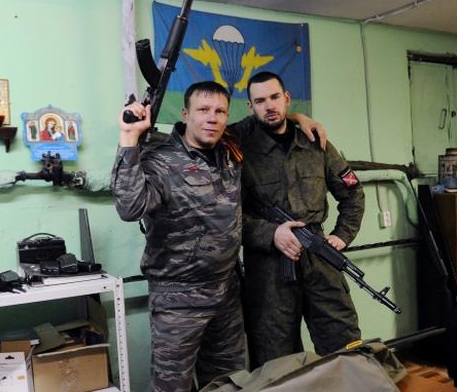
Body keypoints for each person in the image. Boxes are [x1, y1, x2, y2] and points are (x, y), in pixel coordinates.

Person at [112, 81, 245, 391]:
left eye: (220, 111)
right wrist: (129, 136)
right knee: (173, 386)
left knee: (229, 382)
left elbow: (266, 120)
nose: (212, 118)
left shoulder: (231, 151)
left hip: (226, 293)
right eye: (203, 110)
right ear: (185, 114)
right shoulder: (161, 160)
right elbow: (130, 208)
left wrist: (299, 119)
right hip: (178, 299)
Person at [239, 71, 365, 369]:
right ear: (250, 107)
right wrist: (270, 234)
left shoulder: (315, 142)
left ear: (287, 99)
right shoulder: (238, 147)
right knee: (275, 356)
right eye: (259, 101)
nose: (268, 106)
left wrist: (342, 236)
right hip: (268, 267)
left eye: (274, 98)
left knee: (343, 342)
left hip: (319, 257)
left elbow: (352, 192)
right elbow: (227, 215)